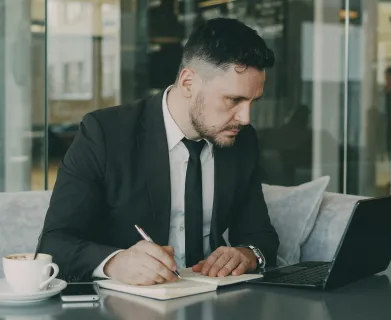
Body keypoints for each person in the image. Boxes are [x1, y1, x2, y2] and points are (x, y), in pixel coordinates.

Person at [38, 18, 279, 286]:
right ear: (188, 82)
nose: (245, 117)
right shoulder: (104, 134)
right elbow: (53, 244)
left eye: (252, 101)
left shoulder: (241, 140)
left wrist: (247, 255)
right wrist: (115, 262)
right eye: (234, 100)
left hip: (215, 300)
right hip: (127, 304)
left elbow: (260, 236)